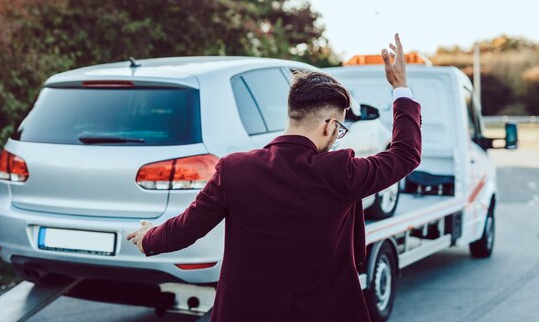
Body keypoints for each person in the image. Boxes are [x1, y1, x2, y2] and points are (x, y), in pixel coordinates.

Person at [127, 34, 422, 322]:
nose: (337, 137)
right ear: (329, 126)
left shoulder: (235, 170)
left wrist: (148, 238)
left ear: (291, 113)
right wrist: (400, 88)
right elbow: (405, 154)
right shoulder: (341, 171)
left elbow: (186, 228)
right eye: (340, 129)